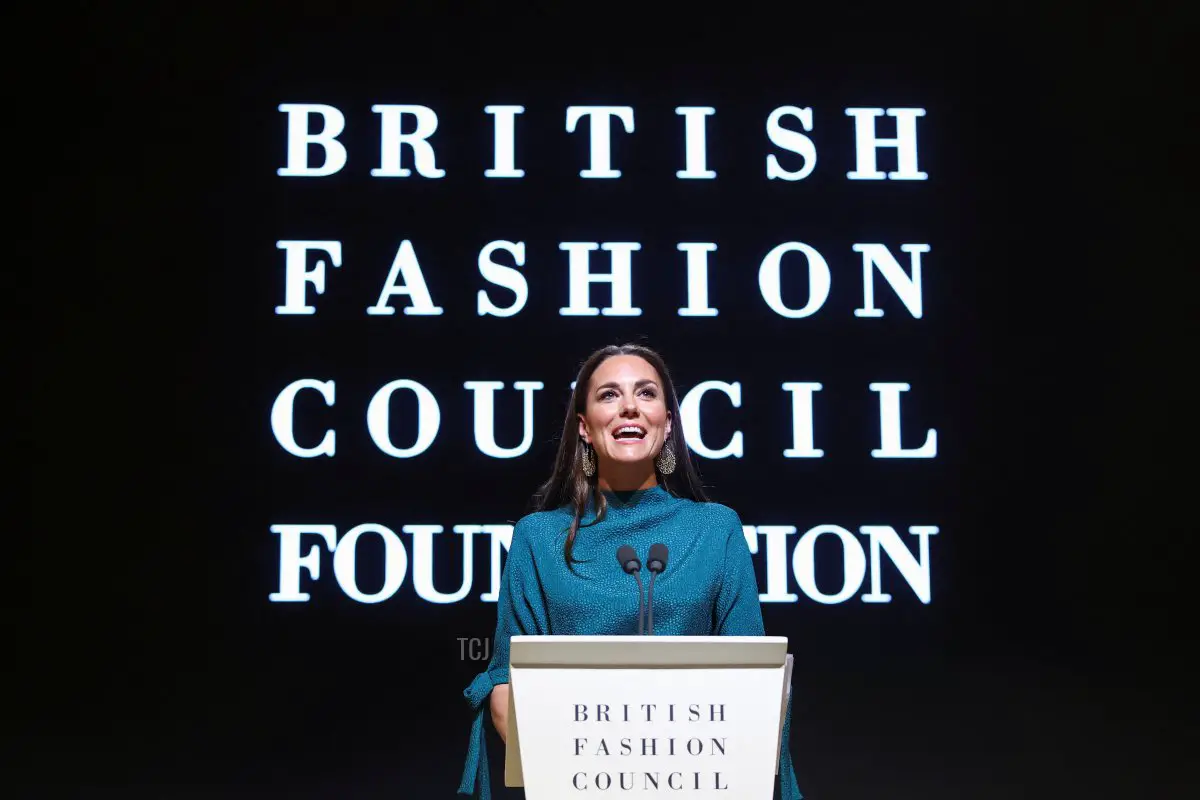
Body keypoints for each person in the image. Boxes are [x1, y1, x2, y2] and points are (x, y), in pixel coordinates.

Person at [457, 343, 803, 799]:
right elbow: (505, 684)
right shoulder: (538, 538)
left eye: (646, 393)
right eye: (608, 395)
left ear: (668, 421)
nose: (628, 408)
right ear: (584, 427)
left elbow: (758, 680)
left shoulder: (716, 529)